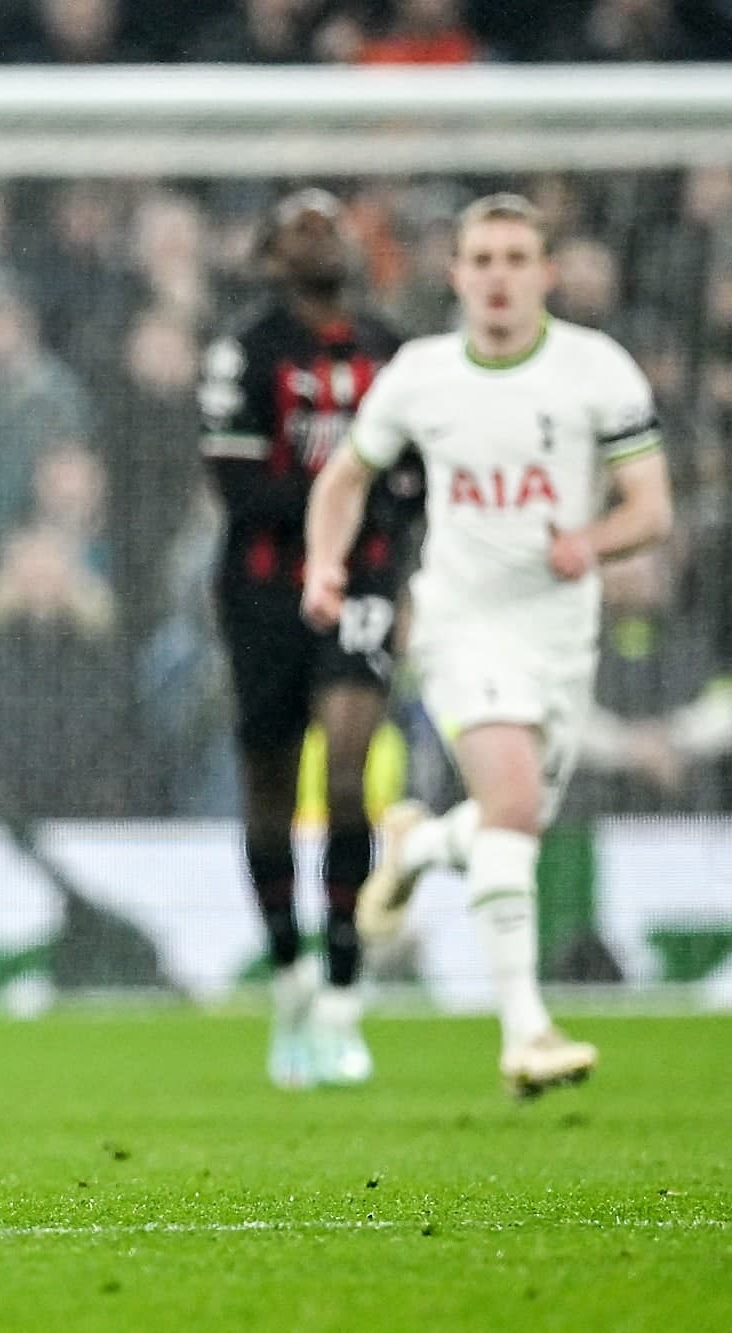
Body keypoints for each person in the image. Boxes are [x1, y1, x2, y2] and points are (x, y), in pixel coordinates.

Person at [305, 193, 671, 1097]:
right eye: (482, 260)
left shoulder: (598, 371)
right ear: (455, 274)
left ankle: (423, 848)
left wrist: (593, 543)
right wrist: (323, 564)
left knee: (514, 823)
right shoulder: (422, 375)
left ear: (547, 273)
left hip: (559, 628)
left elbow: (650, 507)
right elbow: (346, 477)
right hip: (460, 622)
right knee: (511, 806)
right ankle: (527, 1030)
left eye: (516, 259)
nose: (498, 277)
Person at [198, 189, 413, 1090]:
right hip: (260, 591)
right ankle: (289, 973)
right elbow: (236, 482)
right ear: (270, 254)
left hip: (362, 584)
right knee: (270, 783)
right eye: (298, 225)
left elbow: (422, 470)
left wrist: (377, 528)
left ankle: (344, 990)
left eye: (333, 221)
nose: (320, 234)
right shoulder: (243, 350)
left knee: (351, 763)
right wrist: (351, 492)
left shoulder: (393, 350)